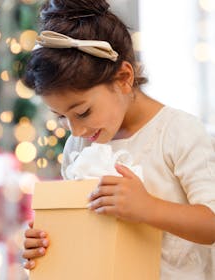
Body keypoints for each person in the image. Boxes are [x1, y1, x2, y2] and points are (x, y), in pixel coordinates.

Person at [21, 0, 215, 279]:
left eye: (83, 112)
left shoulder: (178, 133)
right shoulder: (79, 146)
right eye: (62, 117)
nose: (75, 130)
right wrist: (46, 242)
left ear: (124, 77)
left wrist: (149, 208)